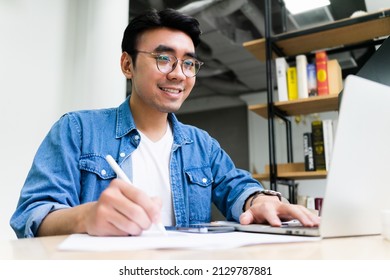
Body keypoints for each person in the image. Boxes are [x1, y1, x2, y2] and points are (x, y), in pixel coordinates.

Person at [10, 8, 319, 238]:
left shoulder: (202, 145)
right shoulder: (77, 130)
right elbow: (31, 216)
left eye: (188, 62)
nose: (178, 74)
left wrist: (260, 200)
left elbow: (236, 187)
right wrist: (84, 218)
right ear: (127, 64)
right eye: (163, 58)